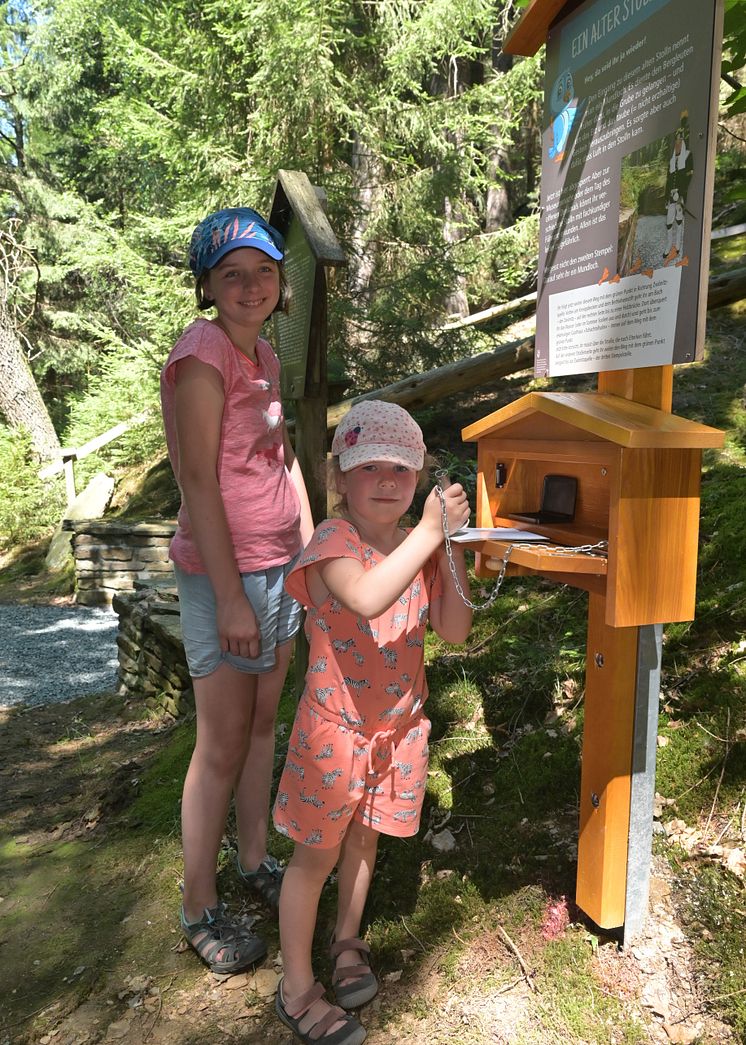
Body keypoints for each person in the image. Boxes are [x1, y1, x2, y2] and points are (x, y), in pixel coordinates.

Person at [272, 401, 472, 1045]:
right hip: (335, 734)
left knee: (365, 841)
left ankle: (347, 938)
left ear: (420, 478)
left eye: (403, 469)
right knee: (315, 857)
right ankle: (296, 986)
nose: (388, 480)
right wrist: (430, 534)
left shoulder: (426, 547)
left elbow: (456, 631)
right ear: (339, 477)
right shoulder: (333, 541)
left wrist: (456, 548)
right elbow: (364, 595)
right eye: (370, 467)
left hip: (398, 729)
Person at [160, 207, 314, 974]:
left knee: (261, 727)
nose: (251, 285)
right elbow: (196, 478)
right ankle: (197, 904)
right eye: (232, 273)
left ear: (282, 280)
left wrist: (312, 554)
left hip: (279, 568)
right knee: (219, 743)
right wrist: (227, 597)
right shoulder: (202, 356)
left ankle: (253, 861)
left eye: (264, 270)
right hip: (226, 576)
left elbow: (282, 458)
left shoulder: (264, 355)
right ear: (207, 287)